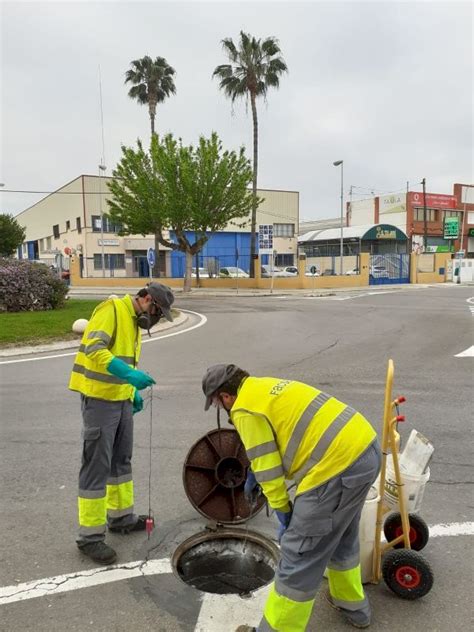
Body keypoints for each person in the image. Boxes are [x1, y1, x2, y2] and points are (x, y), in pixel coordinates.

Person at [202, 364, 381, 632]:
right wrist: (253, 470)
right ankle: (352, 606)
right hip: (365, 448)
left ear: (226, 397)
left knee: (299, 555)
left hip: (334, 467)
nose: (221, 407)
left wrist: (283, 510)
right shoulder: (263, 386)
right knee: (341, 535)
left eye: (217, 402)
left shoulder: (243, 409)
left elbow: (270, 472)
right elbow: (282, 432)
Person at [69, 282, 175, 565]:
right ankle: (89, 538)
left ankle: (121, 518)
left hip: (121, 400)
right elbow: (94, 348)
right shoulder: (112, 309)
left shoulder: (133, 322)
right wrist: (128, 374)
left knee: (121, 461)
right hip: (99, 400)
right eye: (157, 311)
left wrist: (132, 391)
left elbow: (126, 361)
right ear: (147, 299)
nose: (155, 318)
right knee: (97, 466)